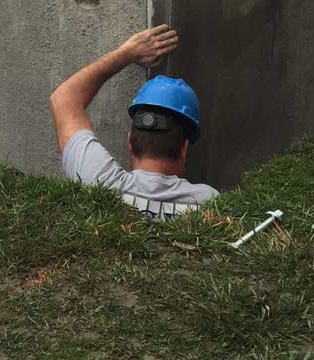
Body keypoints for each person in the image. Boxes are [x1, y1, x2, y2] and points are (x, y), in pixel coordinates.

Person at [49, 25, 218, 219]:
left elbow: (63, 99)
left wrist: (126, 54)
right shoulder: (210, 204)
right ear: (184, 149)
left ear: (130, 142)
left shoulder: (97, 181)